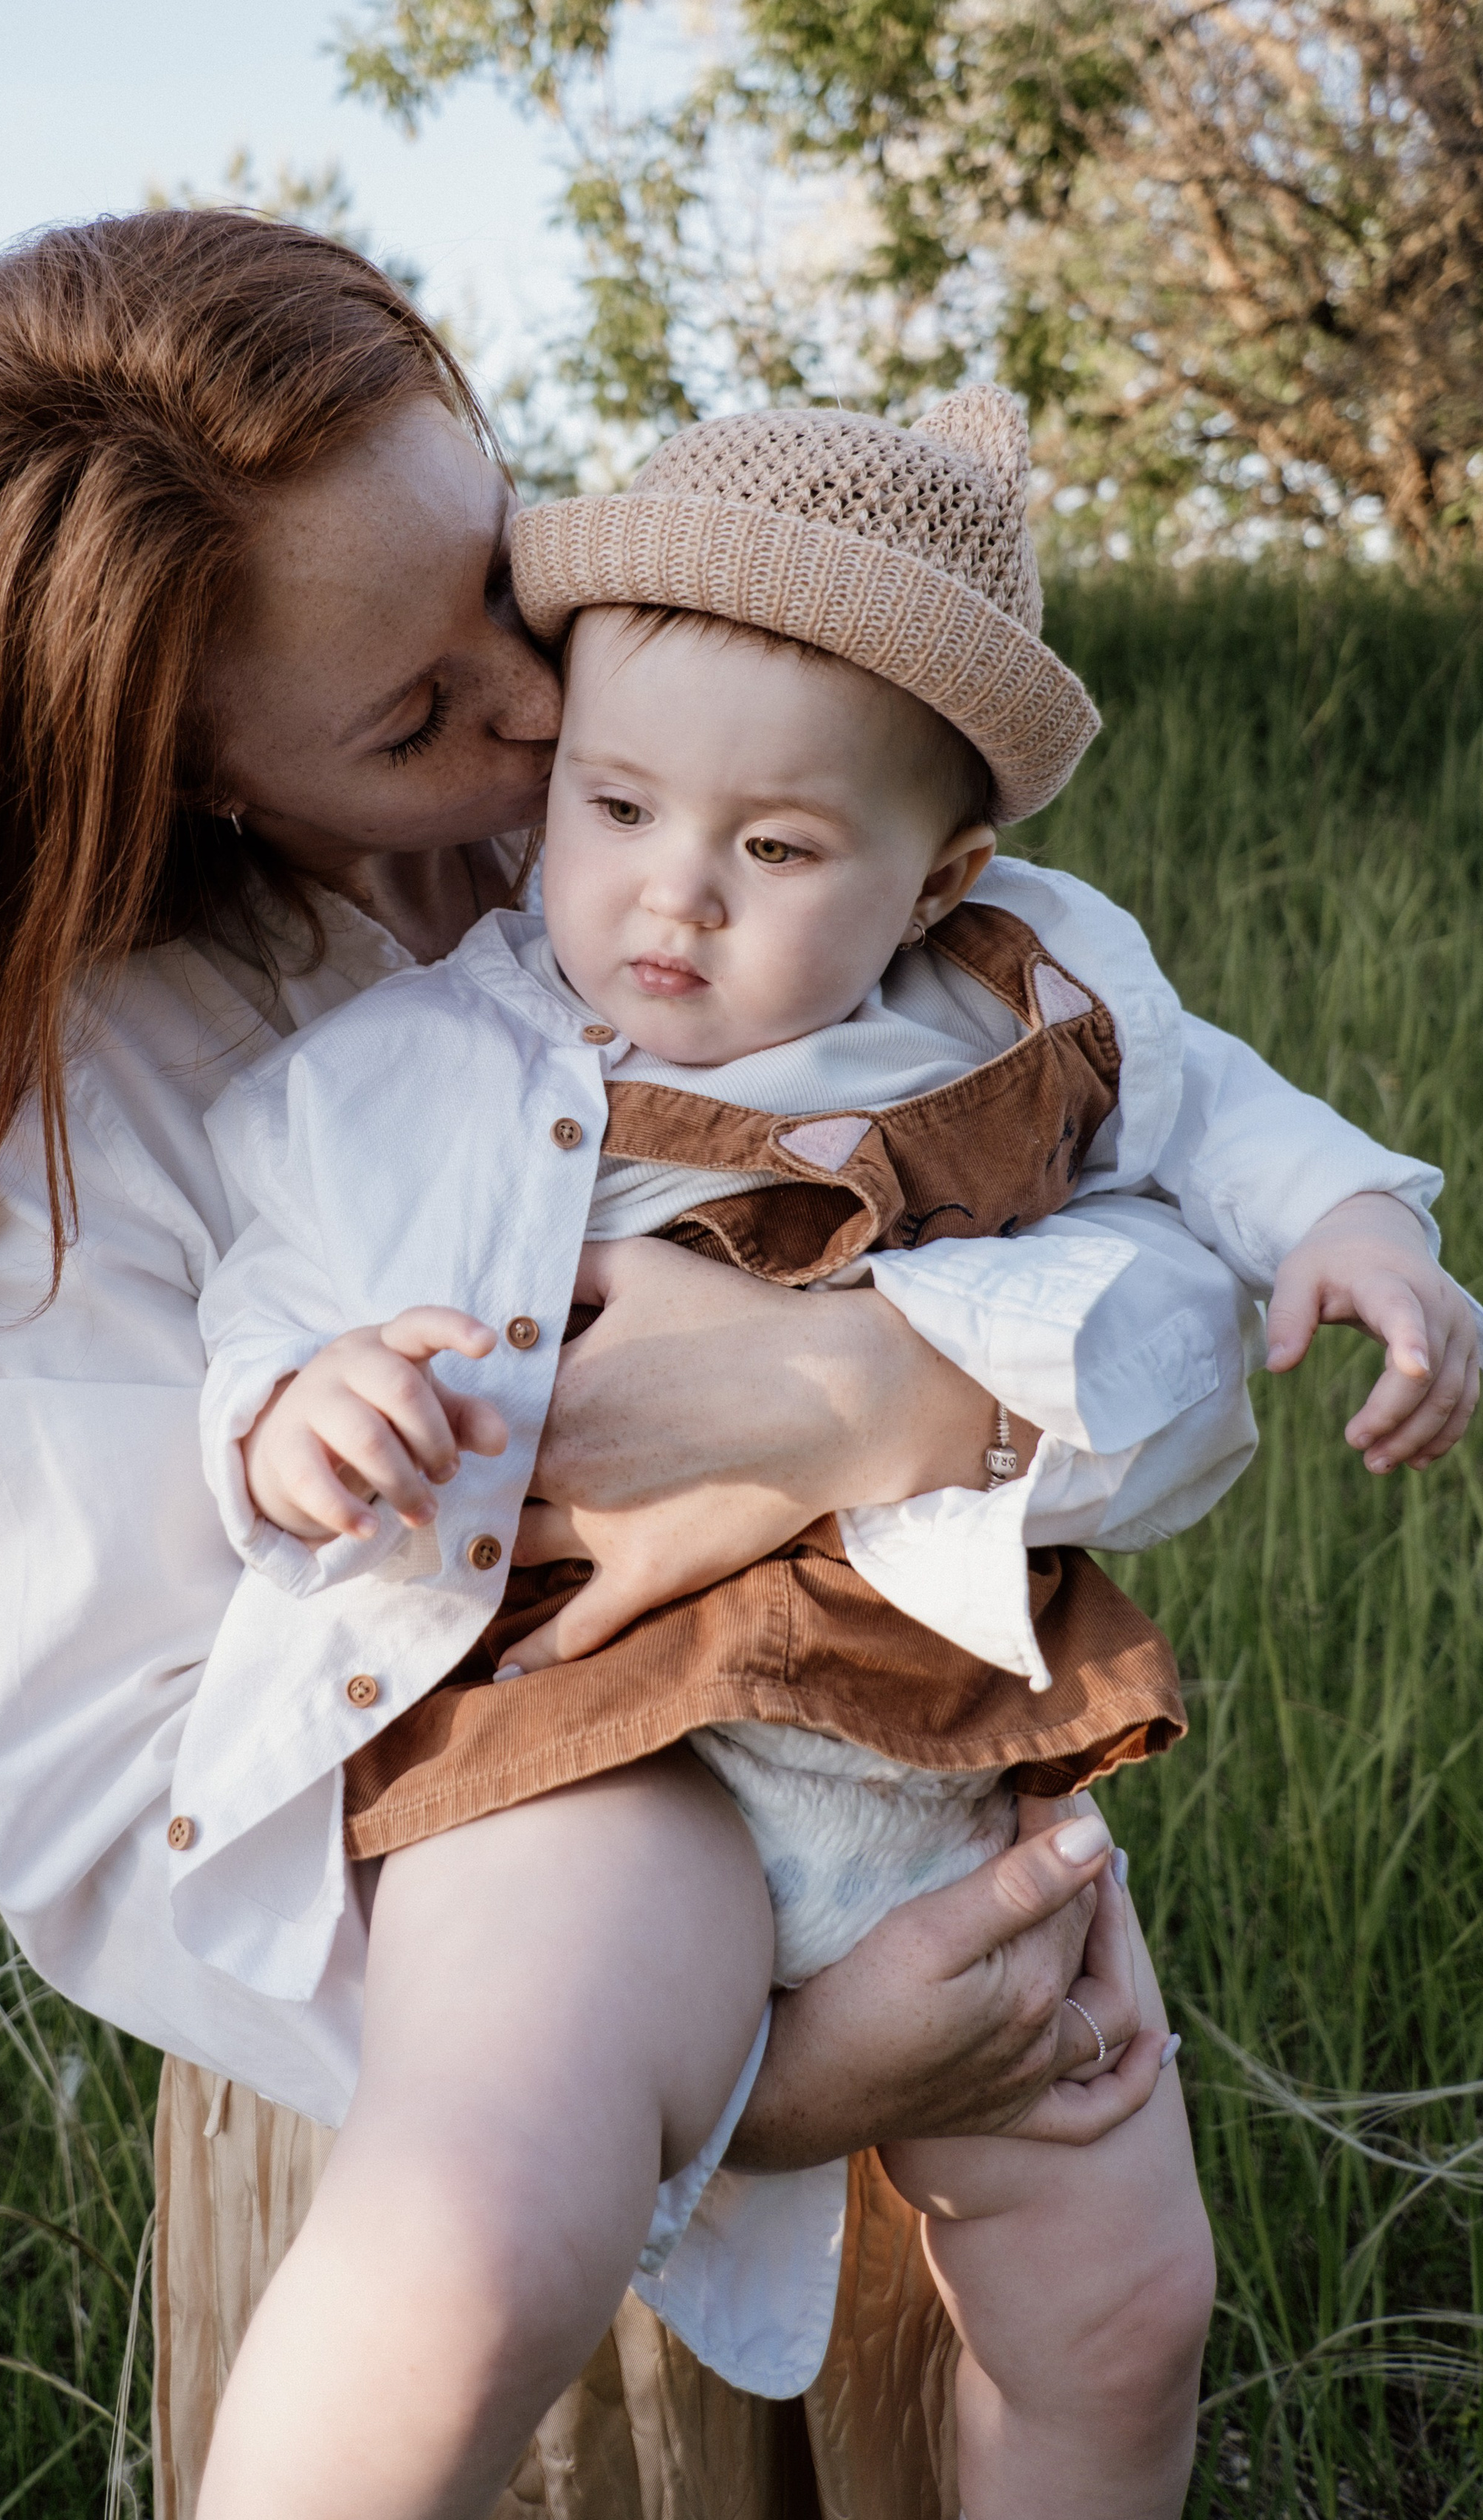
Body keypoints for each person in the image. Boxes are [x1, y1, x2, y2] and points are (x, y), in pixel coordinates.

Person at [0, 210, 1447, 2518]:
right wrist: (770, 2078)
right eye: (421, 716)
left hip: (904, 1771)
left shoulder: (832, 865)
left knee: (1115, 2322)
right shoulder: (136, 1111)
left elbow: (1178, 1321)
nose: (551, 717)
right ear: (195, 770)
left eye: (507, 589)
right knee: (485, 2331)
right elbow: (100, 1814)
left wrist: (891, 1399)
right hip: (465, 2024)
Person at [191, 395, 1481, 2520]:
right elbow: (272, 1296)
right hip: (589, 1743)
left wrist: (1356, 1230)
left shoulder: (1023, 990)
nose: (670, 898)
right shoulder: (431, 1058)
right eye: (612, 808)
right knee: (466, 2250)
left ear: (939, 871)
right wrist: (292, 1409)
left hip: (942, 1741)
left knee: (1124, 2313)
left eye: (778, 850)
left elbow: (1223, 1120)